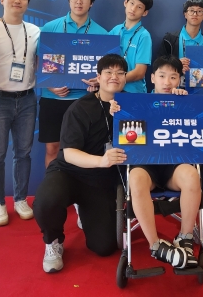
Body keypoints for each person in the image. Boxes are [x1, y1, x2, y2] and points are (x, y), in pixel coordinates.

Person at [32, 54, 128, 273]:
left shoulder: (131, 106)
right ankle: (53, 241)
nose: (114, 76)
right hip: (69, 173)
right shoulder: (80, 107)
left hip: (100, 182)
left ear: (125, 78)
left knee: (104, 247)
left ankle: (85, 210)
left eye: (120, 73)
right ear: (98, 77)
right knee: (46, 201)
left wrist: (177, 93)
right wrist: (102, 160)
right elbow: (68, 153)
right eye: (108, 72)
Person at [110, 56, 200, 269]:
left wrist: (186, 104)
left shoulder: (184, 101)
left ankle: (185, 237)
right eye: (162, 76)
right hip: (145, 166)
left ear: (179, 80)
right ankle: (155, 245)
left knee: (192, 175)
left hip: (174, 167)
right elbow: (127, 133)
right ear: (152, 78)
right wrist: (116, 110)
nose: (167, 82)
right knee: (134, 178)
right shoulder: (135, 103)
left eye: (173, 77)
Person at [0, 0, 40, 226]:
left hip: (27, 98)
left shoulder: (35, 31)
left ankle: (20, 199)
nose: (18, 1)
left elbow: (44, 63)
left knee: (23, 153)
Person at [38, 0, 106, 167]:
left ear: (91, 2)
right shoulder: (50, 28)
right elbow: (40, 62)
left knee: (83, 149)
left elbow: (106, 70)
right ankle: (52, 186)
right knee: (52, 149)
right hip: (53, 99)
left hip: (85, 100)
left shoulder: (102, 34)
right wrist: (50, 85)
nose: (79, 1)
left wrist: (98, 81)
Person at [109, 0, 153, 93]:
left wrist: (114, 80)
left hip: (133, 91)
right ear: (125, 2)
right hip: (112, 90)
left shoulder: (144, 35)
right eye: (132, 3)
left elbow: (139, 72)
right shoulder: (115, 30)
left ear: (145, 12)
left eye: (139, 7)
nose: (133, 9)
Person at [157, 0, 203, 76]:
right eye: (191, 10)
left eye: (199, 11)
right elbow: (158, 65)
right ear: (185, 14)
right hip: (173, 83)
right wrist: (176, 64)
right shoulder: (169, 39)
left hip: (198, 82)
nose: (195, 14)